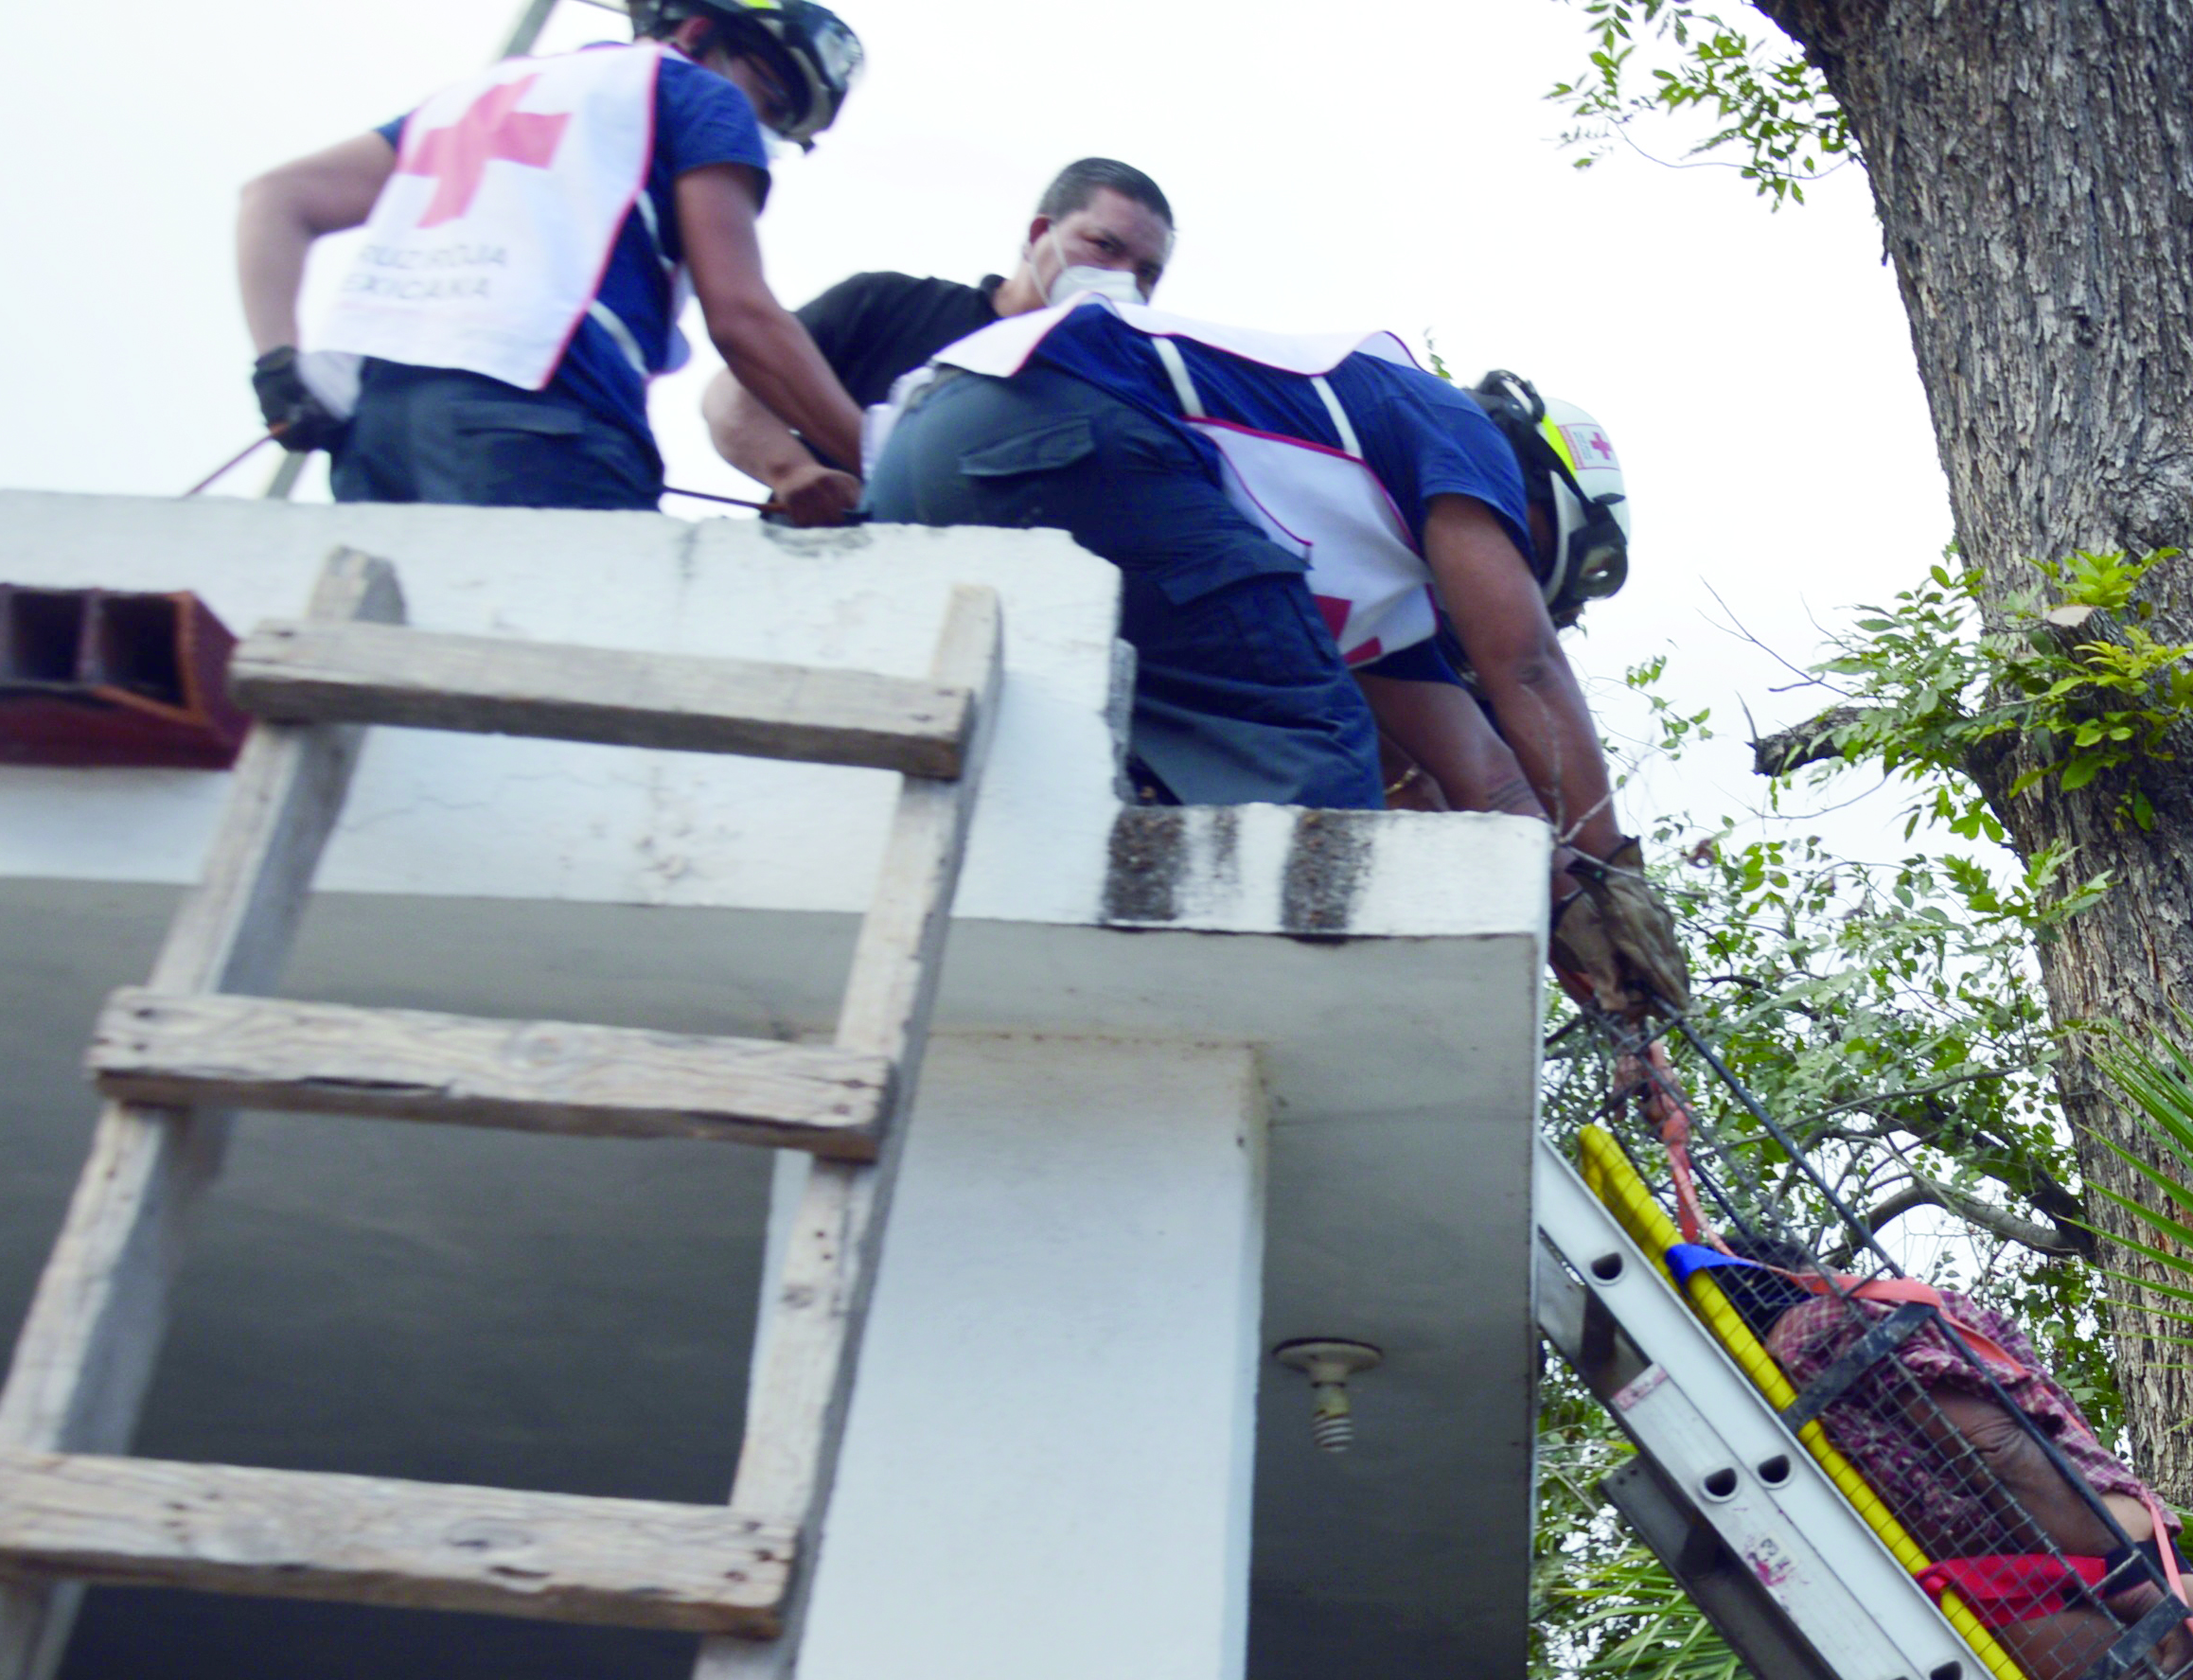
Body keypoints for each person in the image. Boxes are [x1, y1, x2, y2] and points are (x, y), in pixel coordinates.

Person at [869, 291, 1683, 1011]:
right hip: (1055, 420)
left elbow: (1488, 785)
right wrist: (1616, 878)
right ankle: (1297, 1020)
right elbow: (1528, 665)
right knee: (1320, 753)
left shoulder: (1375, 611)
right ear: (1542, 493)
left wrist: (1587, 948)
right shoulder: (1462, 432)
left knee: (1155, 748)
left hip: (919, 460)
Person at [236, 3, 866, 516]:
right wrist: (880, 459)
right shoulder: (695, 92)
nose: (761, 126)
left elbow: (277, 197)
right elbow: (741, 317)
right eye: (772, 94)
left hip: (377, 430)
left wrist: (280, 370)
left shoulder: (485, 92)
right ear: (699, 30)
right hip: (543, 420)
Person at [699, 157, 1176, 528]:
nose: (1123, 280)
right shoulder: (888, 305)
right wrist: (792, 471)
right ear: (1038, 235)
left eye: (1146, 272)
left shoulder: (1122, 402)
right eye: (1104, 246)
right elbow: (733, 393)